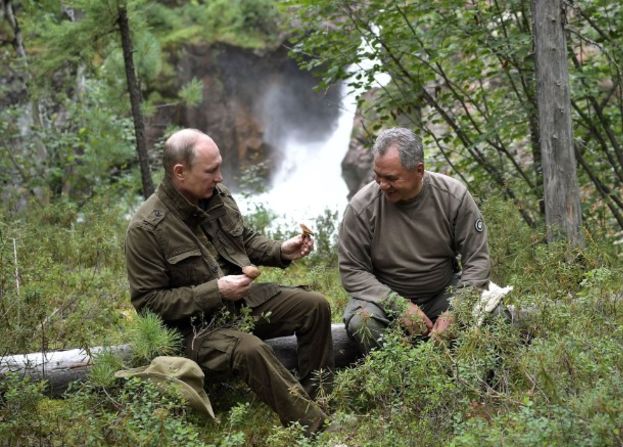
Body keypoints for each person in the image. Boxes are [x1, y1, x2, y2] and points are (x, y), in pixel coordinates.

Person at [125, 128, 331, 433]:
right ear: (179, 173)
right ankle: (314, 428)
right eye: (211, 171)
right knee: (250, 349)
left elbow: (242, 239)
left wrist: (280, 251)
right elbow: (148, 304)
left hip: (239, 305)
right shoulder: (145, 229)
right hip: (194, 330)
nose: (220, 177)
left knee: (315, 306)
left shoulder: (215, 195)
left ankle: (319, 400)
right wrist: (216, 291)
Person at [338, 127, 491, 355]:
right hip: (384, 301)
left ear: (419, 170)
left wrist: (456, 311)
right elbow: (352, 270)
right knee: (363, 323)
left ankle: (465, 376)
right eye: (377, 176)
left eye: (391, 178)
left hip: (443, 294)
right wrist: (398, 306)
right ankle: (404, 378)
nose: (382, 185)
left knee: (493, 314)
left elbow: (478, 261)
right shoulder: (361, 208)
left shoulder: (453, 197)